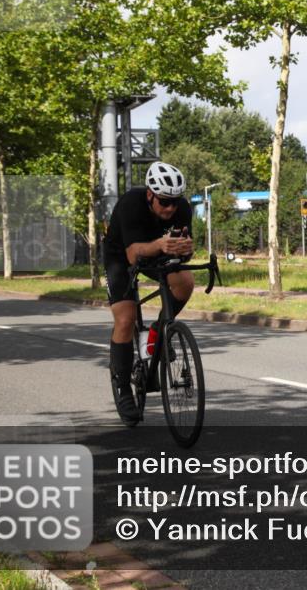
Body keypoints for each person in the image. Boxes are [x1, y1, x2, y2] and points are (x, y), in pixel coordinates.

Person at [103, 162, 194, 421]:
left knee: (185, 282)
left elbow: (186, 251)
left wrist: (186, 249)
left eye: (175, 202)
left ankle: (158, 331)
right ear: (150, 195)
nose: (171, 208)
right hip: (120, 256)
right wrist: (161, 244)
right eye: (164, 202)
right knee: (125, 317)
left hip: (158, 252)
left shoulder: (182, 208)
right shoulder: (132, 203)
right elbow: (133, 254)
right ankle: (122, 387)